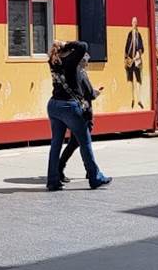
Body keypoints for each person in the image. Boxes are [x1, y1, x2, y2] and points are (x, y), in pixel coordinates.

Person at [45, 40, 111, 190]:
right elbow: (83, 46)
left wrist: (63, 46)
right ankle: (95, 177)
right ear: (67, 50)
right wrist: (68, 44)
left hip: (54, 105)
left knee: (56, 144)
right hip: (69, 106)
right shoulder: (70, 61)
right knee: (85, 142)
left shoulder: (53, 61)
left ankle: (52, 180)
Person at [58, 49, 101, 181]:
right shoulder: (81, 73)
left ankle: (89, 170)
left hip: (75, 110)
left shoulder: (71, 72)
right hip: (84, 112)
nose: (87, 63)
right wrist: (95, 93)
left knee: (77, 142)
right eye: (86, 61)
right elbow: (89, 93)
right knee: (81, 143)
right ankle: (89, 170)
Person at [124, 17, 147, 108]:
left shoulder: (138, 35)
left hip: (137, 60)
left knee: (138, 79)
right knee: (130, 79)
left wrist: (138, 55)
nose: (134, 24)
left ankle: (139, 99)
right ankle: (132, 98)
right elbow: (126, 47)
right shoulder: (130, 34)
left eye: (135, 22)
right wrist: (127, 58)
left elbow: (141, 47)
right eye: (133, 22)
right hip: (130, 60)